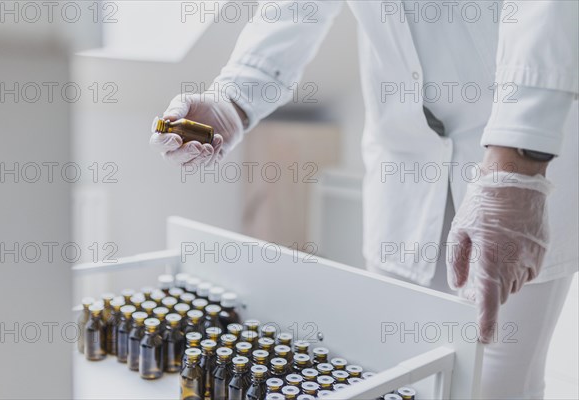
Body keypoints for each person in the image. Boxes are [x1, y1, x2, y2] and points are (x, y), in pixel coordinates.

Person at [150, 2, 578, 398]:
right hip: (403, 160)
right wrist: (234, 99)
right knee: (395, 375)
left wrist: (517, 157)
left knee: (493, 384)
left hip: (519, 159)